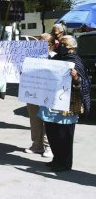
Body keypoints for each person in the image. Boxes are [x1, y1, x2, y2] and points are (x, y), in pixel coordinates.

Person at [37, 35, 91, 172]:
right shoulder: (55, 59)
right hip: (52, 103)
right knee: (52, 134)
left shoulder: (76, 62)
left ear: (72, 48)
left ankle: (65, 163)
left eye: (64, 44)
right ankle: (56, 159)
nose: (60, 46)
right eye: (60, 43)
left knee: (64, 137)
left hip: (68, 106)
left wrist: (75, 78)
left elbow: (84, 84)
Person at [25, 33, 55, 158]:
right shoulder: (32, 56)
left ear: (50, 45)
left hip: (48, 92)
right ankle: (37, 144)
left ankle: (49, 146)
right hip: (33, 91)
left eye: (41, 42)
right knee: (34, 118)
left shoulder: (56, 57)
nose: (38, 45)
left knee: (48, 119)